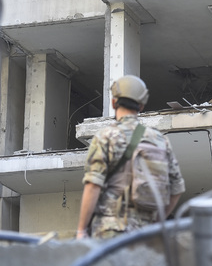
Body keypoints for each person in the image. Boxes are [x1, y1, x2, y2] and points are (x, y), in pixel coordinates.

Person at [76, 75, 185, 239]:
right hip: (147, 236)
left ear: (114, 103)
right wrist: (155, 222)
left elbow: (93, 185)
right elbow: (177, 189)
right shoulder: (160, 140)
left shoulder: (105, 137)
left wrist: (81, 230)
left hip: (111, 234)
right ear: (141, 106)